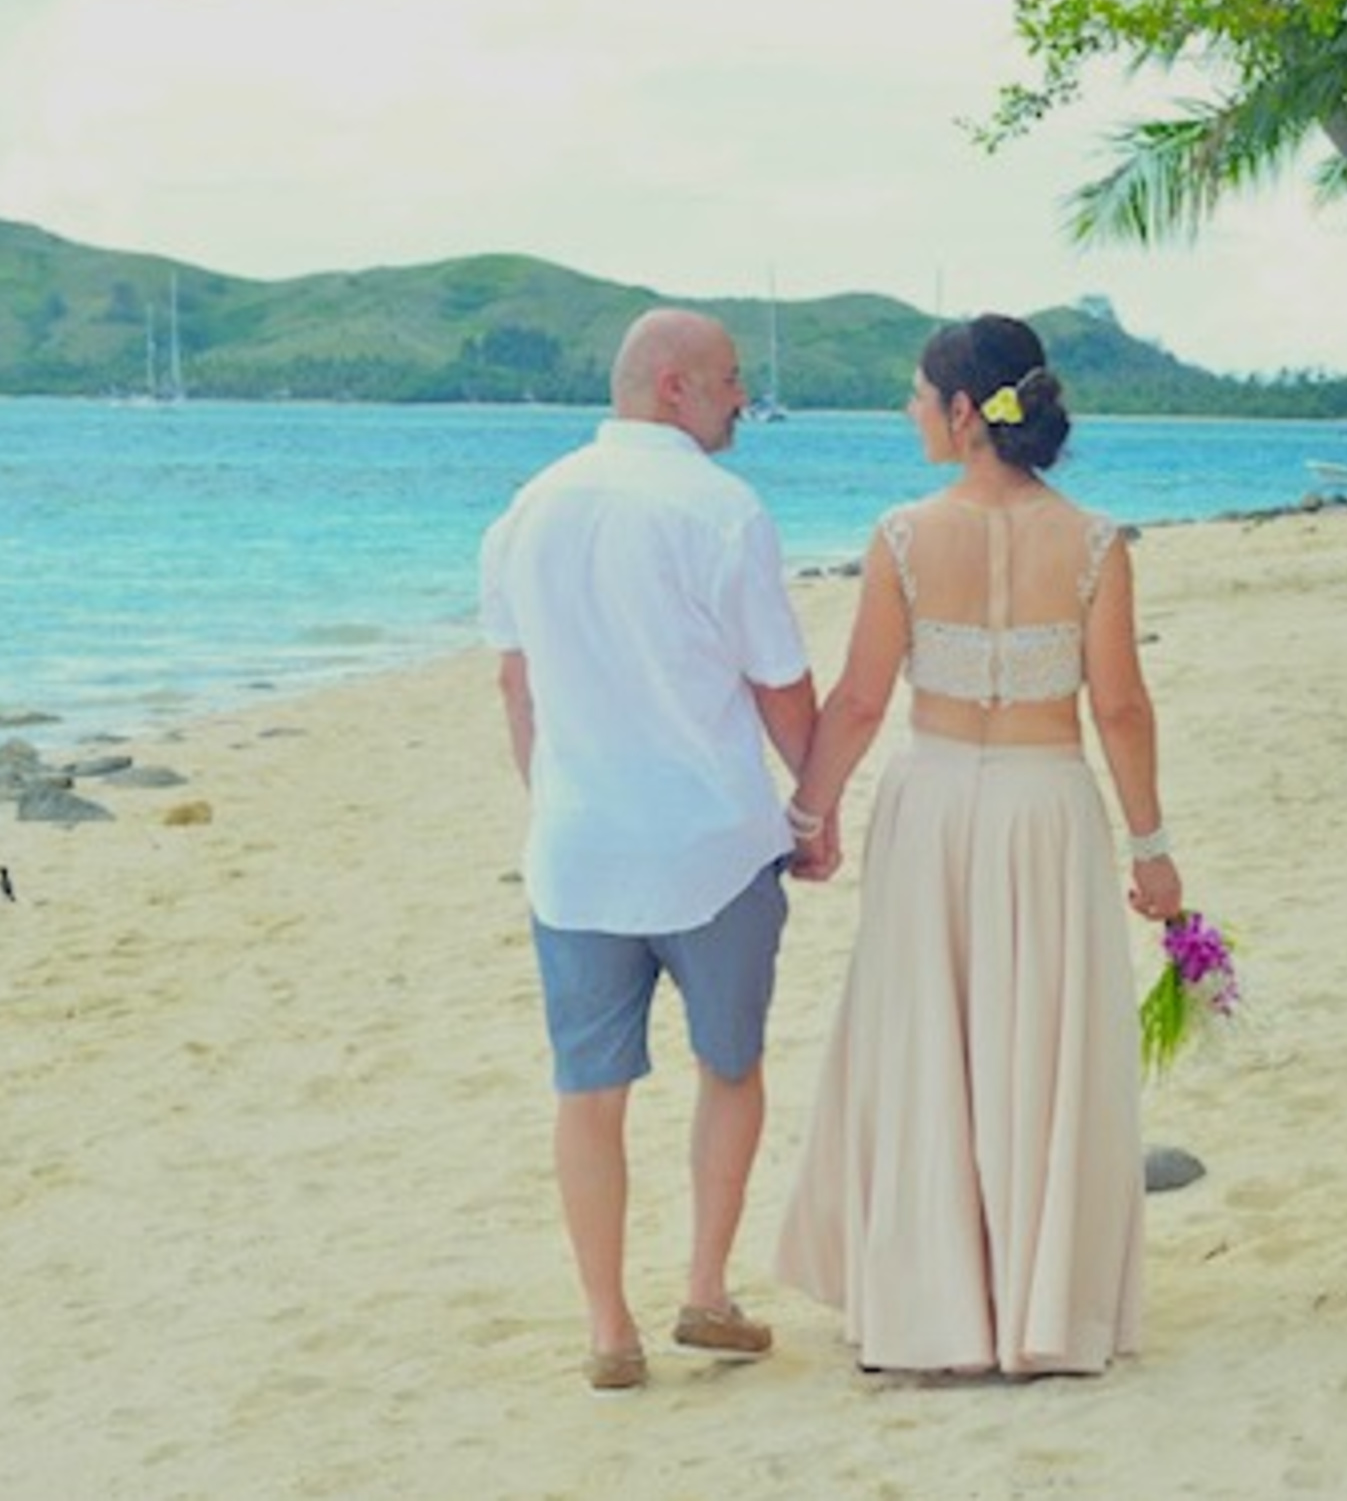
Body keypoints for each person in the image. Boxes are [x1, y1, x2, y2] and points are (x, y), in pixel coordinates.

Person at [774, 314, 1182, 1376]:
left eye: (918, 395)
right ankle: (1038, 1306)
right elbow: (1123, 708)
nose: (908, 412)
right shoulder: (1095, 542)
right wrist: (1153, 848)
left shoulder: (904, 535)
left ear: (964, 412)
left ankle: (936, 1306)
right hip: (1049, 806)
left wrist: (809, 816)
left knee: (929, 1041)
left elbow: (861, 699)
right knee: (1038, 1040)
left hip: (938, 799)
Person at [479, 308, 822, 1395]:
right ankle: (706, 1291)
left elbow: (515, 684)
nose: (741, 399)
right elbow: (779, 683)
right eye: (728, 380)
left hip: (577, 851)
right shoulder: (720, 508)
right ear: (673, 385)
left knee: (590, 1090)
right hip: (711, 843)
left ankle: (608, 1326)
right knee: (731, 1066)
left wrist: (555, 798)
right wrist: (814, 809)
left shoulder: (526, 509)